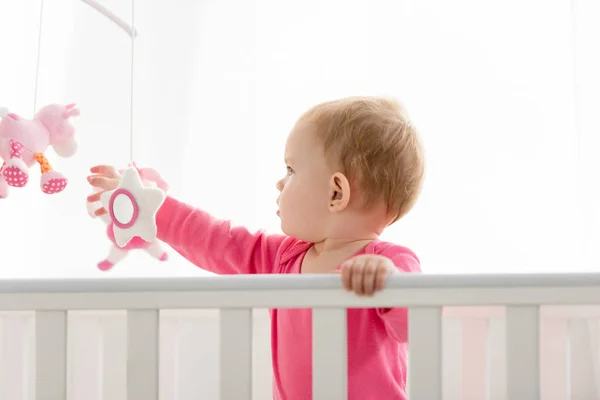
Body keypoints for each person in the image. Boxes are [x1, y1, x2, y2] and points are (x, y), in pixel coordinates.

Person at [87, 96, 425, 400]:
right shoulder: (284, 257)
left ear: (336, 193)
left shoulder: (388, 263)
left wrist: (390, 286)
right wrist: (154, 208)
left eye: (291, 169)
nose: (280, 181)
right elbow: (217, 240)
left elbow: (418, 322)